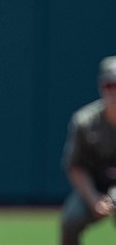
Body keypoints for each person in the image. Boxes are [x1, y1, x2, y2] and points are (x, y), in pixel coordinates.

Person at [61, 55, 116, 245]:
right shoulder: (85, 121)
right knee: (71, 220)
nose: (114, 91)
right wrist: (93, 199)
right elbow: (75, 166)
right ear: (101, 86)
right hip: (94, 186)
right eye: (109, 85)